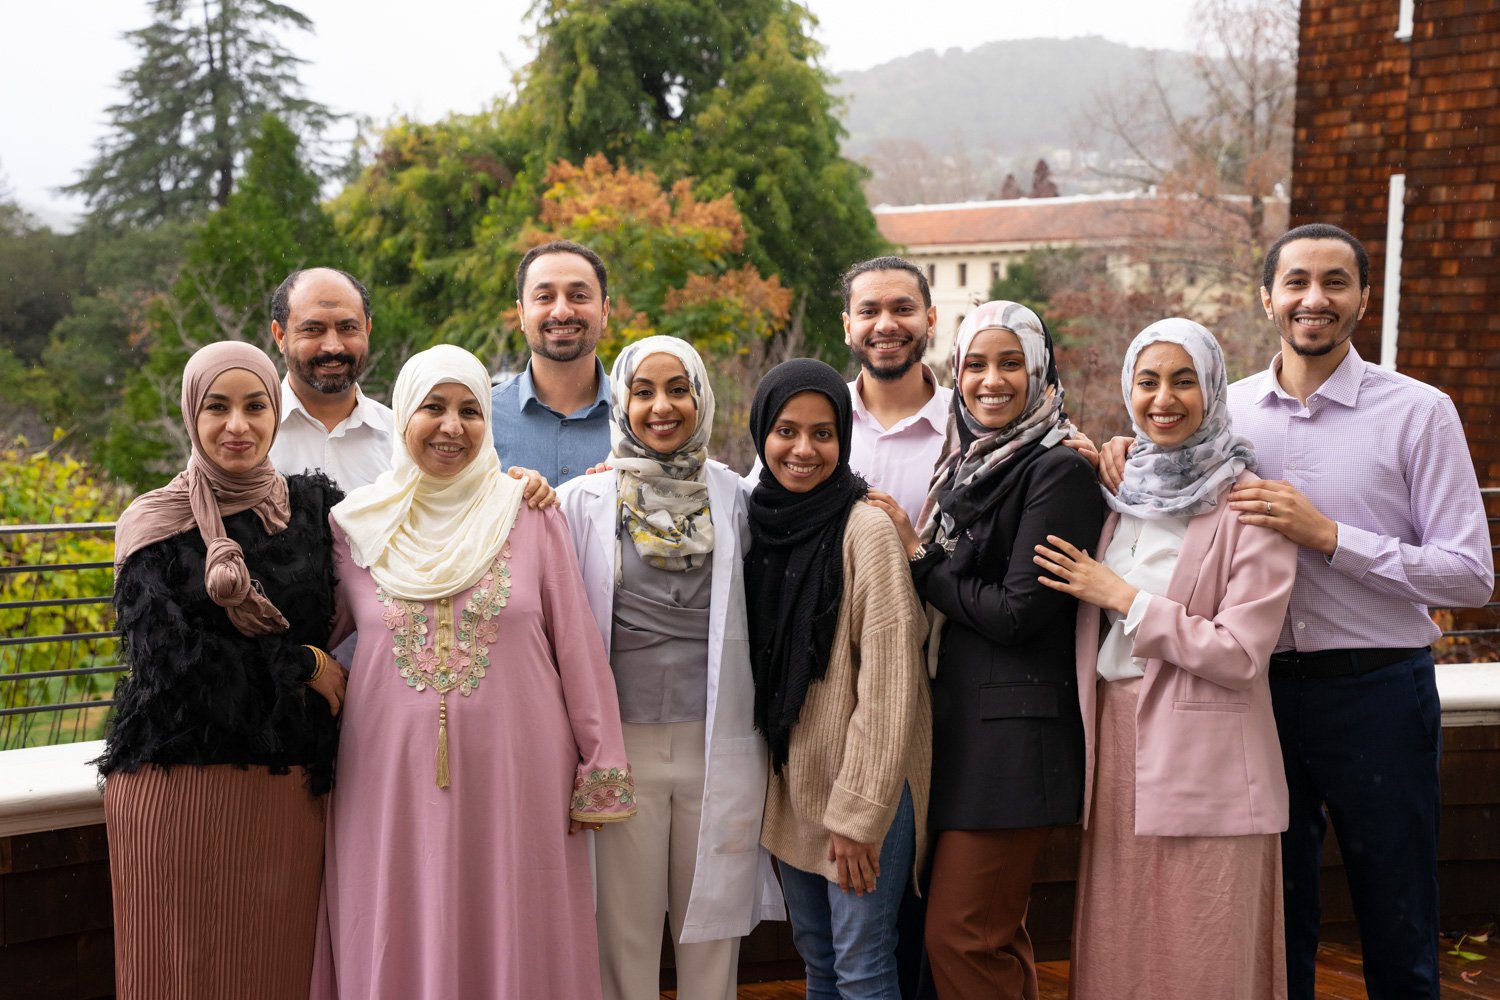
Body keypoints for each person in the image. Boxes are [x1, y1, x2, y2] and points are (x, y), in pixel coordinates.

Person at [1099, 224, 1493, 999]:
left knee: (1398, 909)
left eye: (1336, 283)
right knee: (1279, 918)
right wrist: (1112, 451)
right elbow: (1160, 463)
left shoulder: (1420, 412)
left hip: (1377, 689)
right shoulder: (1225, 409)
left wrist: (1332, 537)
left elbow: (1471, 576)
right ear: (1269, 298)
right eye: (1298, 283)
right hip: (1254, 695)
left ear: (1362, 298)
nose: (1315, 300)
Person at [311, 345, 635, 999]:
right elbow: (309, 635)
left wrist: (600, 765)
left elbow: (576, 648)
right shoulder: (352, 529)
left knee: (514, 927)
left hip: (520, 779)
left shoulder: (529, 513)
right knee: (399, 924)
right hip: (387, 785)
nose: (452, 426)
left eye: (469, 410)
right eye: (433, 407)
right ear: (404, 415)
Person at [1035, 318, 1296, 1000]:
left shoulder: (1249, 504)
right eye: (1148, 381)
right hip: (1118, 748)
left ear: (1213, 388)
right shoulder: (1119, 491)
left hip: (1205, 756)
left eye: (1184, 381)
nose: (1164, 399)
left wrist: (1123, 598)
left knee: (1202, 946)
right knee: (1124, 941)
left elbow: (1241, 653)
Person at [96, 342, 349, 1000]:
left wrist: (522, 491)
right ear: (191, 413)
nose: (237, 424)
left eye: (255, 406)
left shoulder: (316, 512)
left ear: (276, 413)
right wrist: (300, 665)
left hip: (288, 789)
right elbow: (166, 665)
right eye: (217, 407)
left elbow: (410, 553)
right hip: (175, 785)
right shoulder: (153, 523)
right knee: (176, 974)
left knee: (278, 971)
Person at [869, 300, 1103, 999]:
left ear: (1041, 372)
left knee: (961, 938)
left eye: (1011, 364)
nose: (991, 380)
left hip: (1013, 741)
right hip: (960, 735)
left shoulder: (1057, 469)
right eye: (975, 364)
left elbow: (1017, 613)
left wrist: (919, 557)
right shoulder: (968, 464)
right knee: (994, 934)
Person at [559, 335, 784, 1000]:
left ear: (701, 398)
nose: (662, 406)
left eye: (678, 389)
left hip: (717, 748)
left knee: (712, 932)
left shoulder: (741, 500)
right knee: (621, 934)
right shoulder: (579, 504)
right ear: (620, 401)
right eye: (644, 390)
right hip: (619, 750)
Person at [746, 358, 930, 1000]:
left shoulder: (865, 528)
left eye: (823, 433)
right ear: (761, 434)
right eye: (787, 431)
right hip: (795, 787)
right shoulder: (760, 523)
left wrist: (859, 815)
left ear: (843, 440)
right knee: (818, 960)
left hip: (864, 791)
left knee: (862, 964)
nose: (804, 449)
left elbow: (890, 686)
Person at [492, 239, 614, 485]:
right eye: (544, 297)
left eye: (578, 296)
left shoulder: (639, 419)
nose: (561, 312)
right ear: (521, 314)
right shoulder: (482, 420)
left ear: (604, 311)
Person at [841, 256, 953, 521]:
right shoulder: (815, 415)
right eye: (868, 312)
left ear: (931, 320)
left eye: (903, 309)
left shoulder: (969, 426)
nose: (886, 325)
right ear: (848, 326)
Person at [268, 266, 394, 491]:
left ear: (368, 329)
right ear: (280, 335)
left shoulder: (400, 440)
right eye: (313, 329)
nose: (333, 346)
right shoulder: (247, 437)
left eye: (347, 328)